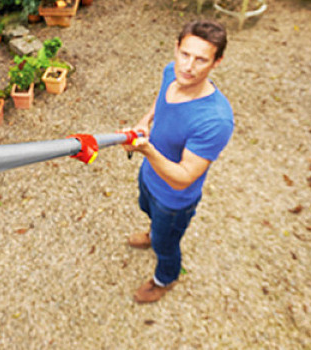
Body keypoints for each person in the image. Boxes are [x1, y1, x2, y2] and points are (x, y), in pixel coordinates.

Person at [123, 19, 234, 303]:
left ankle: (165, 278)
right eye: (185, 54)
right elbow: (160, 100)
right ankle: (153, 232)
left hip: (173, 200)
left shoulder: (216, 120)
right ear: (176, 47)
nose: (188, 66)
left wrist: (146, 150)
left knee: (167, 244)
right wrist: (145, 120)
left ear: (217, 62)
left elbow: (184, 176)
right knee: (145, 208)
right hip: (150, 177)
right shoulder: (171, 72)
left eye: (201, 60)